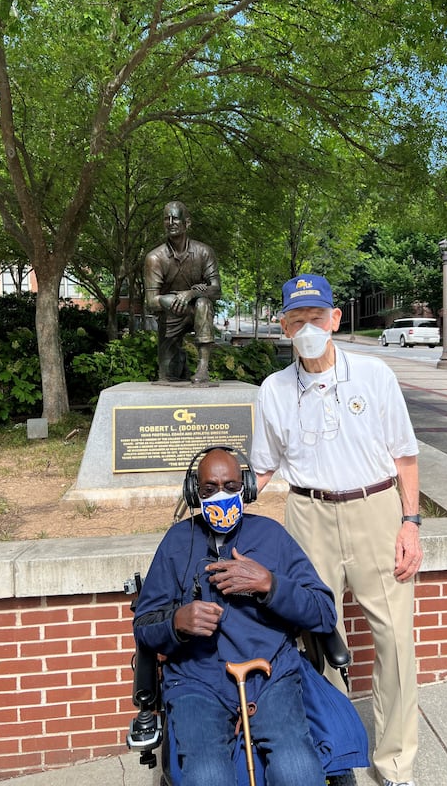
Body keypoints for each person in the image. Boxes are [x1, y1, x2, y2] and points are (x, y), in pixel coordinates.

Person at [250, 274, 422, 786]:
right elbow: (263, 468)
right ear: (283, 326)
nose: (308, 329)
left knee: (394, 640)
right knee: (319, 636)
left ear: (335, 320)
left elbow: (405, 457)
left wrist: (410, 523)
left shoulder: (374, 376)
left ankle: (396, 762)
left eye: (316, 318)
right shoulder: (273, 390)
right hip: (308, 515)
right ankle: (338, 752)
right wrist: (222, 498)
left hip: (376, 509)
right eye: (297, 320)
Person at [133, 447, 339, 786]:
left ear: (246, 487)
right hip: (197, 681)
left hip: (270, 676)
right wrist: (176, 624)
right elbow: (144, 627)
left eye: (230, 486)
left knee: (298, 771)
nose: (221, 495)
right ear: (194, 494)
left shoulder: (272, 536)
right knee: (208, 777)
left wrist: (269, 584)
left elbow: (323, 612)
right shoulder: (176, 542)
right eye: (209, 489)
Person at [145, 201, 221, 382]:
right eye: (166, 219)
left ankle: (203, 369)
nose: (170, 222)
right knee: (169, 374)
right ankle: (180, 361)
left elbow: (216, 290)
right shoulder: (155, 258)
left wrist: (192, 294)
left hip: (197, 309)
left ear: (187, 223)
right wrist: (172, 300)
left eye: (175, 218)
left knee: (203, 303)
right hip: (171, 314)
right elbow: (151, 301)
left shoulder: (204, 252)